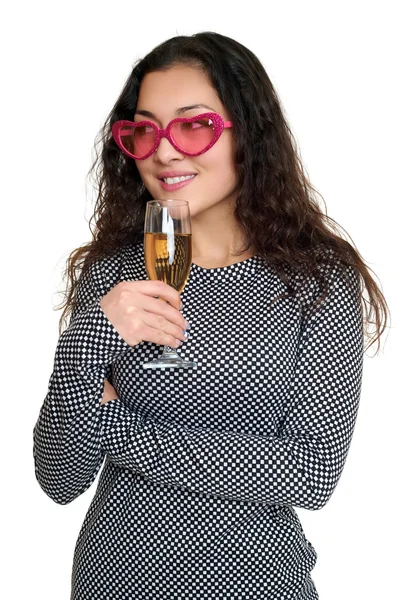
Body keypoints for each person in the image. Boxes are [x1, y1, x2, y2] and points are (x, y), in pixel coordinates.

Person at [33, 31, 388, 600]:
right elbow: (60, 477)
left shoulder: (316, 277)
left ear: (248, 133)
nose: (164, 151)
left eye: (193, 125)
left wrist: (114, 425)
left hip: (260, 584)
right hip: (114, 580)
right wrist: (97, 331)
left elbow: (310, 472)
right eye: (144, 131)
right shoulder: (114, 277)